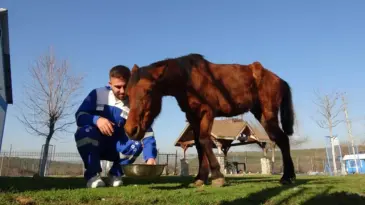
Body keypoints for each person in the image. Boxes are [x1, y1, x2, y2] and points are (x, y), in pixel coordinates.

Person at [74, 65, 158, 188]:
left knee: (137, 143)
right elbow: (80, 116)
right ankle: (92, 176)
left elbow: (146, 132)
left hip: (117, 148)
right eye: (118, 87)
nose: (123, 91)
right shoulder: (97, 94)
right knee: (84, 131)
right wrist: (96, 120)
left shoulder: (136, 104)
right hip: (95, 144)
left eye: (126, 86)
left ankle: (115, 174)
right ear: (110, 83)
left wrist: (150, 156)